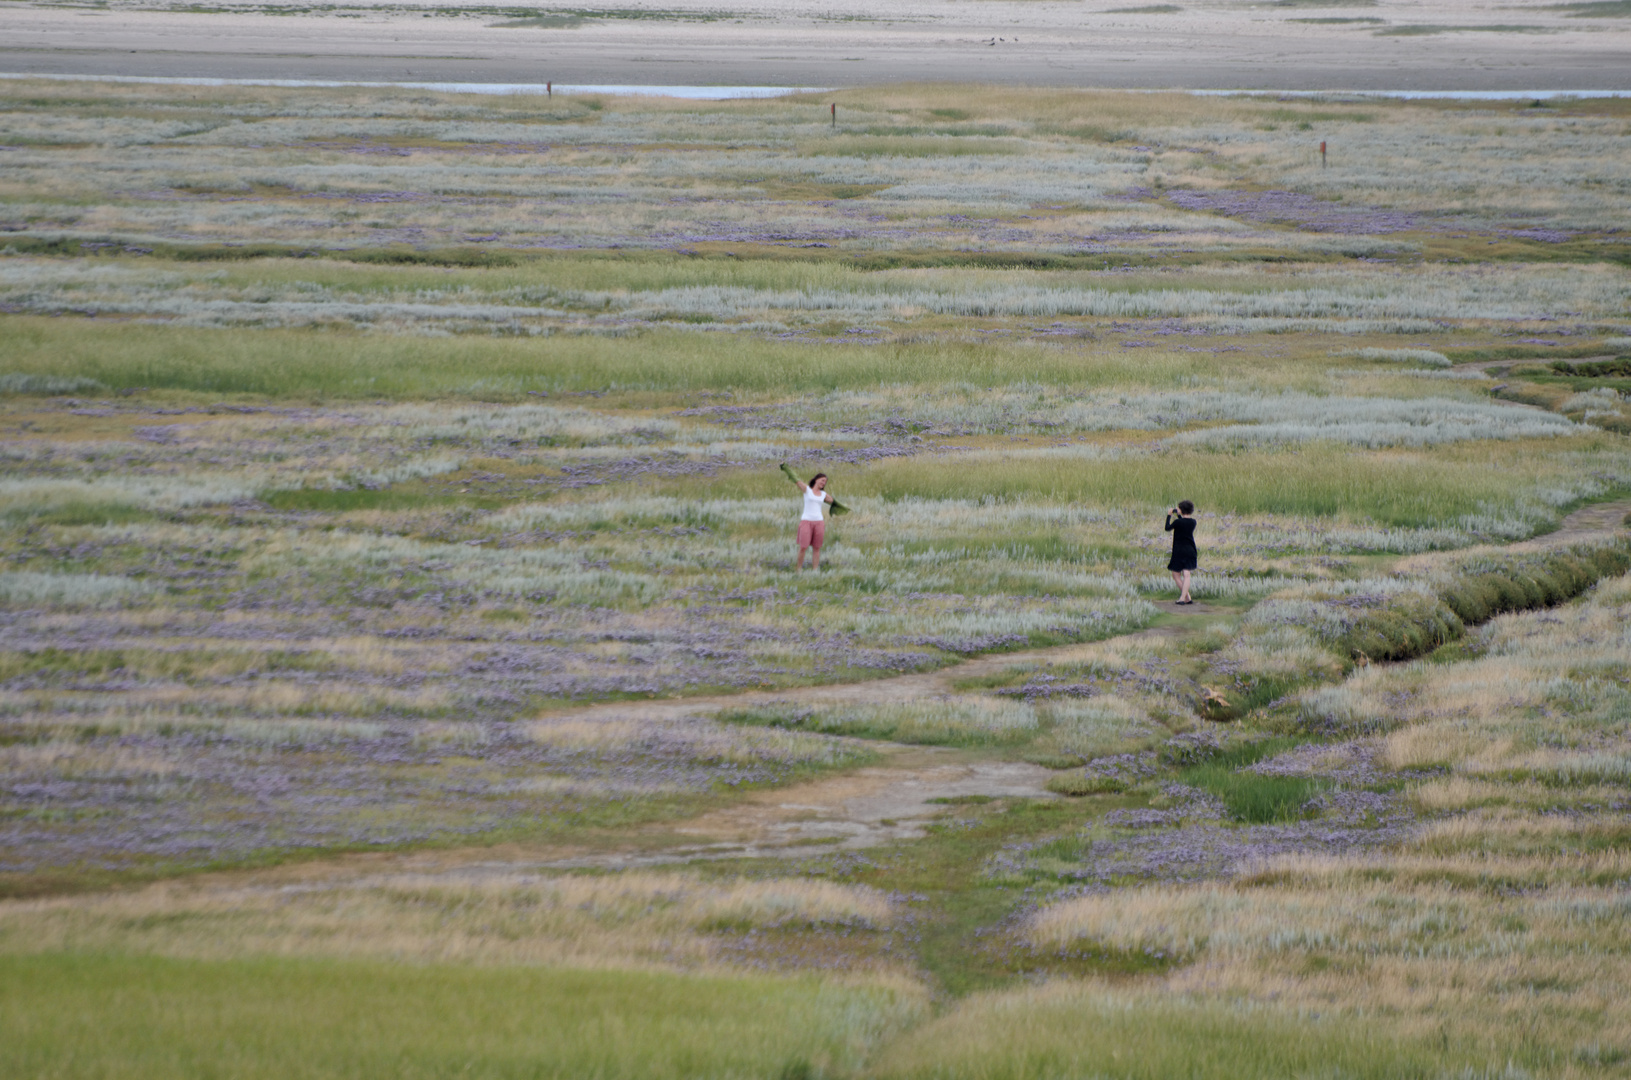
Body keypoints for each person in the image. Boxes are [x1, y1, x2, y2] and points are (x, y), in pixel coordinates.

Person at [796, 472, 835, 571]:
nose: (823, 483)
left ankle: (815, 569)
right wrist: (785, 467)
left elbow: (832, 501)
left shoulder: (823, 494)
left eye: (825, 482)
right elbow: (797, 481)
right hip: (806, 521)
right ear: (816, 479)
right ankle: (799, 569)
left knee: (817, 547)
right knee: (803, 546)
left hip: (819, 522)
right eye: (822, 480)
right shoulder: (807, 490)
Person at [1165, 500, 1197, 605]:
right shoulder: (1193, 522)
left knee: (1176, 574)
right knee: (1186, 574)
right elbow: (1184, 524)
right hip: (1190, 549)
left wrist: (1169, 515)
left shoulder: (1178, 522)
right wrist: (1179, 515)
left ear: (1181, 510)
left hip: (1179, 550)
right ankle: (1187, 597)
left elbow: (1167, 528)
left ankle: (1183, 598)